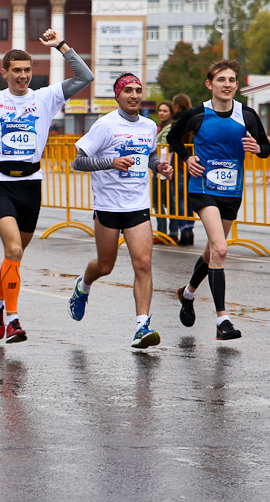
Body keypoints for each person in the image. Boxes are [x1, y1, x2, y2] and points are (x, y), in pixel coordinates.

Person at [0, 28, 94, 343]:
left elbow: (85, 76)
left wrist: (61, 45)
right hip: (1, 185)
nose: (23, 76)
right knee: (12, 249)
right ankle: (12, 319)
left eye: (27, 70)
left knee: (15, 256)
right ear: (4, 73)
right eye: (16, 70)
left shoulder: (45, 97)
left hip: (31, 185)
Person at [167, 59, 270, 340]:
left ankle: (187, 293)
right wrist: (187, 158)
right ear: (209, 84)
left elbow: (266, 148)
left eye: (231, 80)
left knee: (212, 252)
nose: (227, 84)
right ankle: (222, 320)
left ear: (236, 86)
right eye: (221, 80)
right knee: (221, 250)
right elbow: (173, 138)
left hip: (231, 192)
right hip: (202, 187)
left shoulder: (246, 115)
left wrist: (257, 147)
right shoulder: (197, 115)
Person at [68, 73, 173, 348]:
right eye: (128, 90)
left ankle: (141, 327)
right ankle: (83, 285)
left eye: (138, 90)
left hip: (137, 205)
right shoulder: (105, 125)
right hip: (108, 205)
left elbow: (150, 154)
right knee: (105, 266)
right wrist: (110, 162)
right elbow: (78, 162)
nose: (134, 95)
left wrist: (158, 166)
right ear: (118, 95)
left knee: (143, 263)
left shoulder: (149, 125)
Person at [170, 93, 196, 246]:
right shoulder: (196, 121)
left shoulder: (177, 123)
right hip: (194, 166)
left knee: (180, 198)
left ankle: (184, 228)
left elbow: (173, 144)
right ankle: (190, 229)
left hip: (180, 165)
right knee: (190, 198)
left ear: (177, 106)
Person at [152, 100, 175, 242]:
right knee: (167, 200)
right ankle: (171, 231)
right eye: (160, 110)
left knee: (159, 201)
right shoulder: (161, 126)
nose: (161, 113)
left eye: (165, 111)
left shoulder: (168, 127)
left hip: (163, 167)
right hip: (162, 166)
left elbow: (162, 145)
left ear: (171, 113)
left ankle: (163, 233)